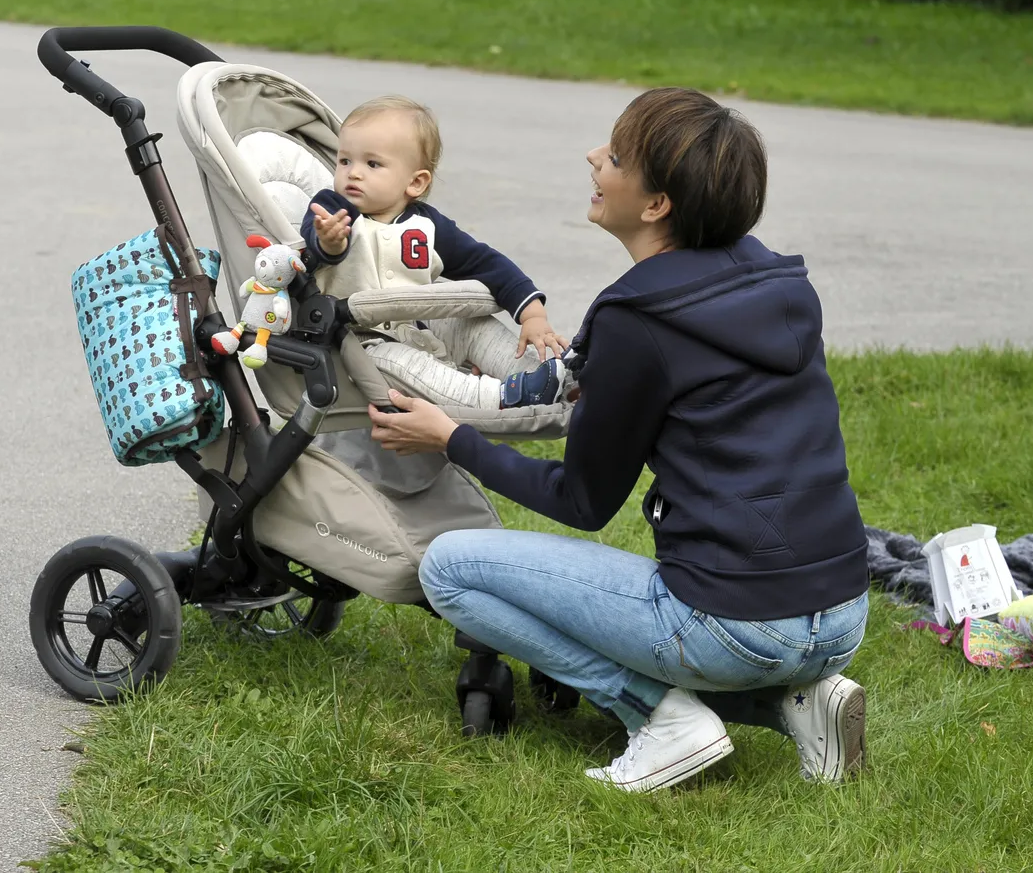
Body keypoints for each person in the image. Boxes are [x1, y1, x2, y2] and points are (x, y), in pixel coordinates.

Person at [366, 87, 872, 794]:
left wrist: (449, 437)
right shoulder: (777, 284)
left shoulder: (641, 319)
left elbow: (583, 500)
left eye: (617, 155)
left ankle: (661, 718)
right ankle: (797, 700)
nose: (594, 158)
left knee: (450, 569)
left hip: (736, 622)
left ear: (657, 203)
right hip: (844, 609)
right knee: (751, 625)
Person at [300, 95, 571, 410]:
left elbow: (486, 263)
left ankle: (549, 376)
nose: (353, 173)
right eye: (345, 161)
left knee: (474, 325)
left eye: (372, 164)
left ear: (415, 182)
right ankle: (502, 397)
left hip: (417, 328)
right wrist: (329, 244)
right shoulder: (333, 209)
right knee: (409, 366)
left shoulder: (428, 226)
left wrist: (532, 314)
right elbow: (311, 253)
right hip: (358, 344)